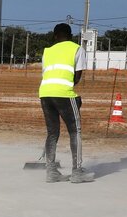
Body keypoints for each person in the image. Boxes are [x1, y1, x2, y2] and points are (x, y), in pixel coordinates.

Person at [38, 22, 94, 183]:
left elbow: (47, 74)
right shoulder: (76, 48)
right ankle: (77, 172)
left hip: (45, 93)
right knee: (75, 131)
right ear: (70, 35)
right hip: (64, 94)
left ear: (55, 36)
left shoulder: (47, 51)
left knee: (52, 132)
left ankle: (51, 172)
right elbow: (76, 78)